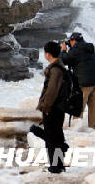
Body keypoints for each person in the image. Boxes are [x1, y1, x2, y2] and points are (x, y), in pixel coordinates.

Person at [36, 42, 68, 173]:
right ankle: (59, 164)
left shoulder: (55, 70)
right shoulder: (59, 67)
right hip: (58, 107)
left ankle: (55, 166)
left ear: (47, 54)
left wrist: (46, 107)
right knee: (57, 136)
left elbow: (52, 91)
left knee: (52, 138)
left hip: (53, 108)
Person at [61, 32, 95, 128]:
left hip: (84, 85)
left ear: (74, 40)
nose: (69, 43)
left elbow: (64, 60)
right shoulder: (89, 48)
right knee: (94, 107)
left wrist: (63, 50)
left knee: (78, 108)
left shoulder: (76, 50)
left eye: (70, 41)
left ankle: (77, 129)